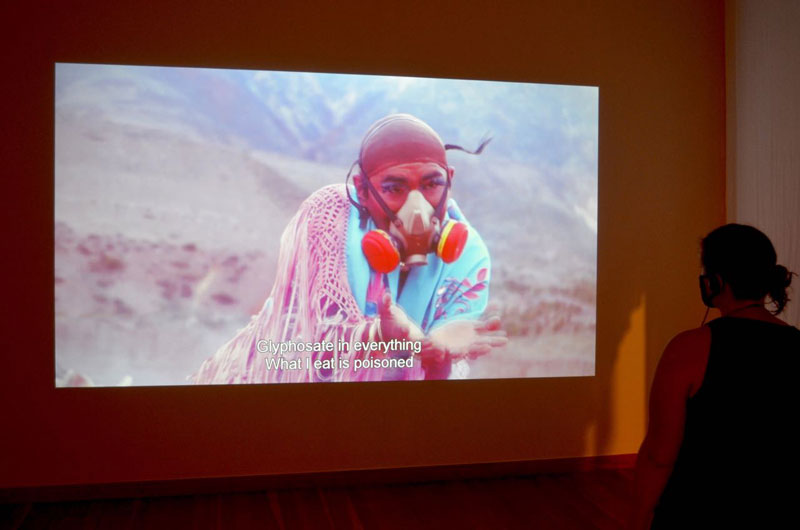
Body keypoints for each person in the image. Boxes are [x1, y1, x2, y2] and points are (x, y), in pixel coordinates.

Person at [194, 114, 506, 384]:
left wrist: (438, 357)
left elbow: (440, 374)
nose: (417, 209)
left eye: (431, 184)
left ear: (449, 180)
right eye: (394, 188)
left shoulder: (469, 255)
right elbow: (296, 347)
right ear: (362, 190)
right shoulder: (330, 217)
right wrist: (377, 336)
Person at [631, 223, 800, 529]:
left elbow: (659, 454)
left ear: (714, 283)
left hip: (698, 511)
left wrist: (639, 516)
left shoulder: (688, 348)